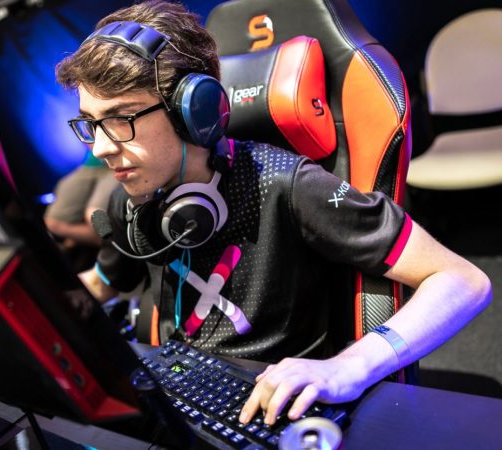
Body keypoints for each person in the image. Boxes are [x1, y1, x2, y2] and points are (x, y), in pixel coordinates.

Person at [55, 0, 491, 427]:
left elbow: (464, 281)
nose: (101, 148)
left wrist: (349, 366)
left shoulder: (287, 184)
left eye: (122, 119)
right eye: (91, 124)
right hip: (179, 402)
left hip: (275, 410)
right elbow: (100, 285)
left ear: (193, 110)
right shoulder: (134, 202)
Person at [44, 149, 118, 271]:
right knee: (52, 223)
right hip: (91, 164)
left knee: (93, 215)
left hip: (116, 164)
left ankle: (115, 250)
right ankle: (105, 245)